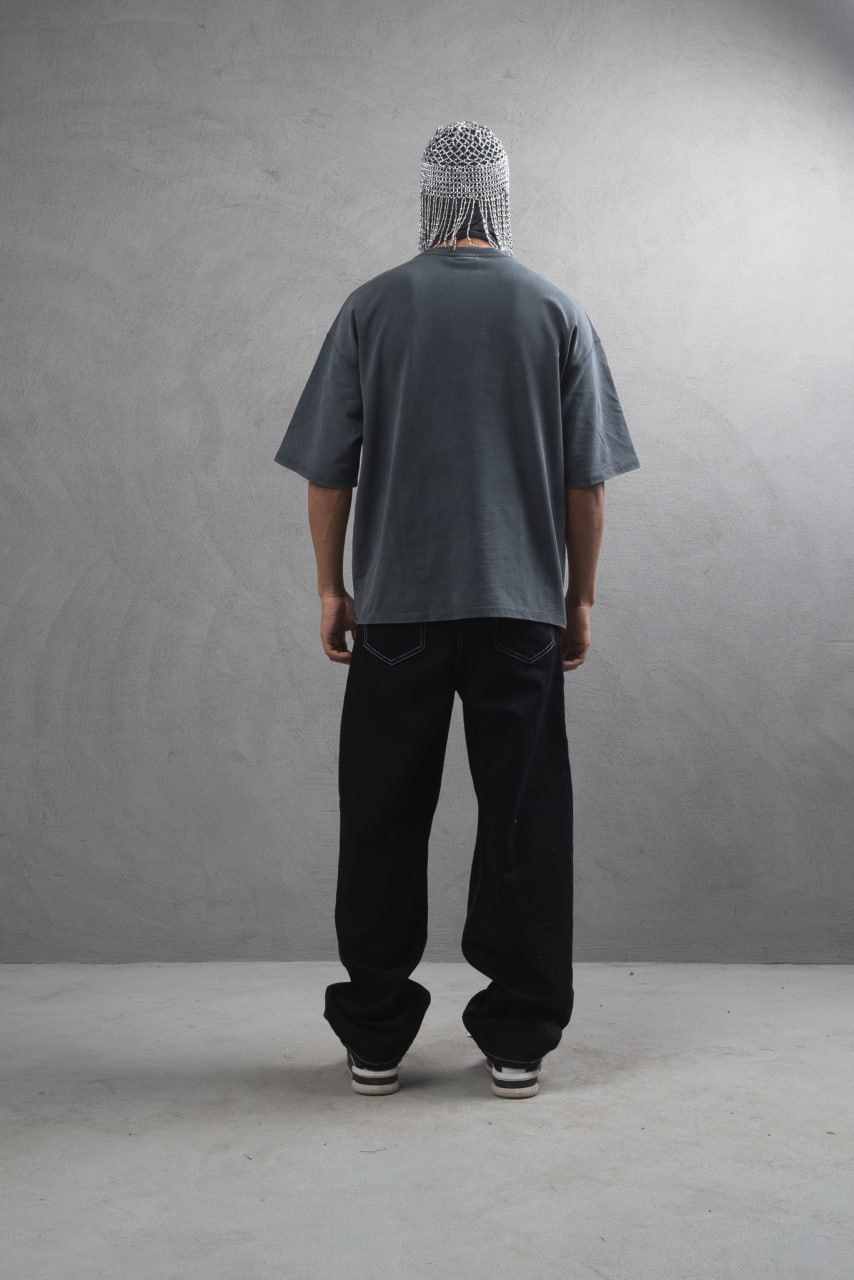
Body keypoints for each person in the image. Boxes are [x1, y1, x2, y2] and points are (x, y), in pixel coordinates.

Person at [273, 120, 641, 1099]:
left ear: (429, 197)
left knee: (381, 818)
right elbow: (587, 481)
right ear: (501, 196)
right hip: (519, 608)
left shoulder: (373, 306)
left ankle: (375, 1037)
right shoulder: (555, 309)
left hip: (399, 609)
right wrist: (578, 598)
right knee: (523, 823)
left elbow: (328, 471)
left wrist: (331, 587)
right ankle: (518, 1037)